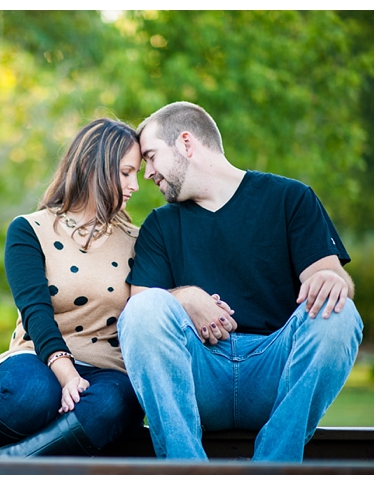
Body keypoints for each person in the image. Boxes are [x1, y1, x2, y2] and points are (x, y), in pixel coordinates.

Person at [117, 101, 363, 462]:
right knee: (143, 310)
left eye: (152, 157)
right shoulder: (160, 224)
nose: (147, 173)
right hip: (200, 373)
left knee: (340, 315)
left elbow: (329, 281)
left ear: (186, 143)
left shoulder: (290, 199)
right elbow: (141, 307)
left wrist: (331, 277)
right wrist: (186, 298)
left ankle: (273, 470)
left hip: (276, 372)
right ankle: (186, 472)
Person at [0, 118, 146, 458]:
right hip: (40, 356)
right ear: (94, 166)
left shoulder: (140, 241)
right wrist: (67, 375)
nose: (134, 185)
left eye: (136, 173)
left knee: (115, 404)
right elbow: (35, 311)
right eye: (125, 172)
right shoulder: (30, 231)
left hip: (108, 370)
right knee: (33, 395)